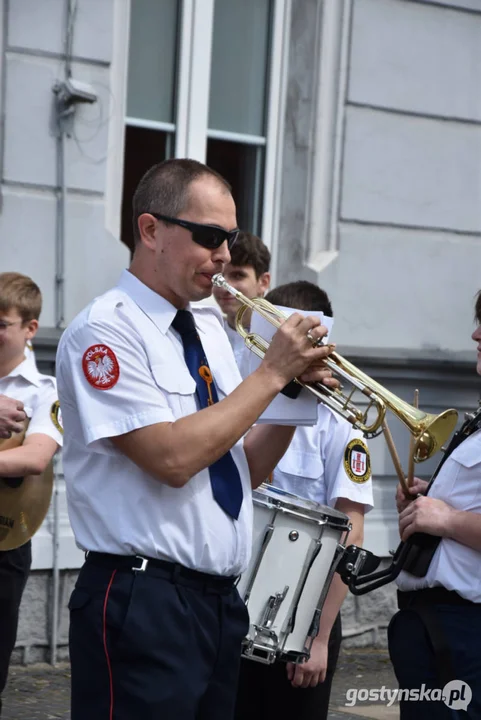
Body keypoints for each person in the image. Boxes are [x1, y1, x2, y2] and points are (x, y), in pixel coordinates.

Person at [55, 158, 337, 720]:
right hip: (143, 598)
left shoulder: (209, 326)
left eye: (229, 238)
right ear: (151, 230)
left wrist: (292, 400)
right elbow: (172, 458)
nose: (225, 255)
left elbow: (239, 472)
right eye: (209, 236)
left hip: (217, 600)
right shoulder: (105, 330)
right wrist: (272, 375)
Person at [228, 280, 373, 720]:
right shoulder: (238, 395)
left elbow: (352, 528)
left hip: (301, 615)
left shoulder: (339, 421)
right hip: (230, 603)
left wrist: (318, 635)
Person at [389, 289, 481, 719]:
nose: (476, 335)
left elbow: (457, 520)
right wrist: (430, 500)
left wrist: (446, 518)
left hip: (466, 631)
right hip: (433, 625)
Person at [0, 272, 63, 717]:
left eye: (0, 323)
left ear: (30, 328)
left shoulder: (48, 393)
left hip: (4, 545)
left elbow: (34, 459)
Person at [212, 231, 270, 374]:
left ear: (263, 282)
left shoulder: (279, 338)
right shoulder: (206, 334)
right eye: (218, 276)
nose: (224, 286)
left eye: (238, 276)